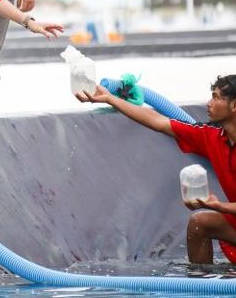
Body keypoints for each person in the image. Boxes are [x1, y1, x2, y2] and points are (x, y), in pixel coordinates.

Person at [76, 76, 236, 265]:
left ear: (234, 105)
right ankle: (204, 287)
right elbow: (159, 122)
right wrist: (111, 99)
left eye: (216, 97)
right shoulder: (212, 136)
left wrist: (220, 206)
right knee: (199, 223)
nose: (209, 103)